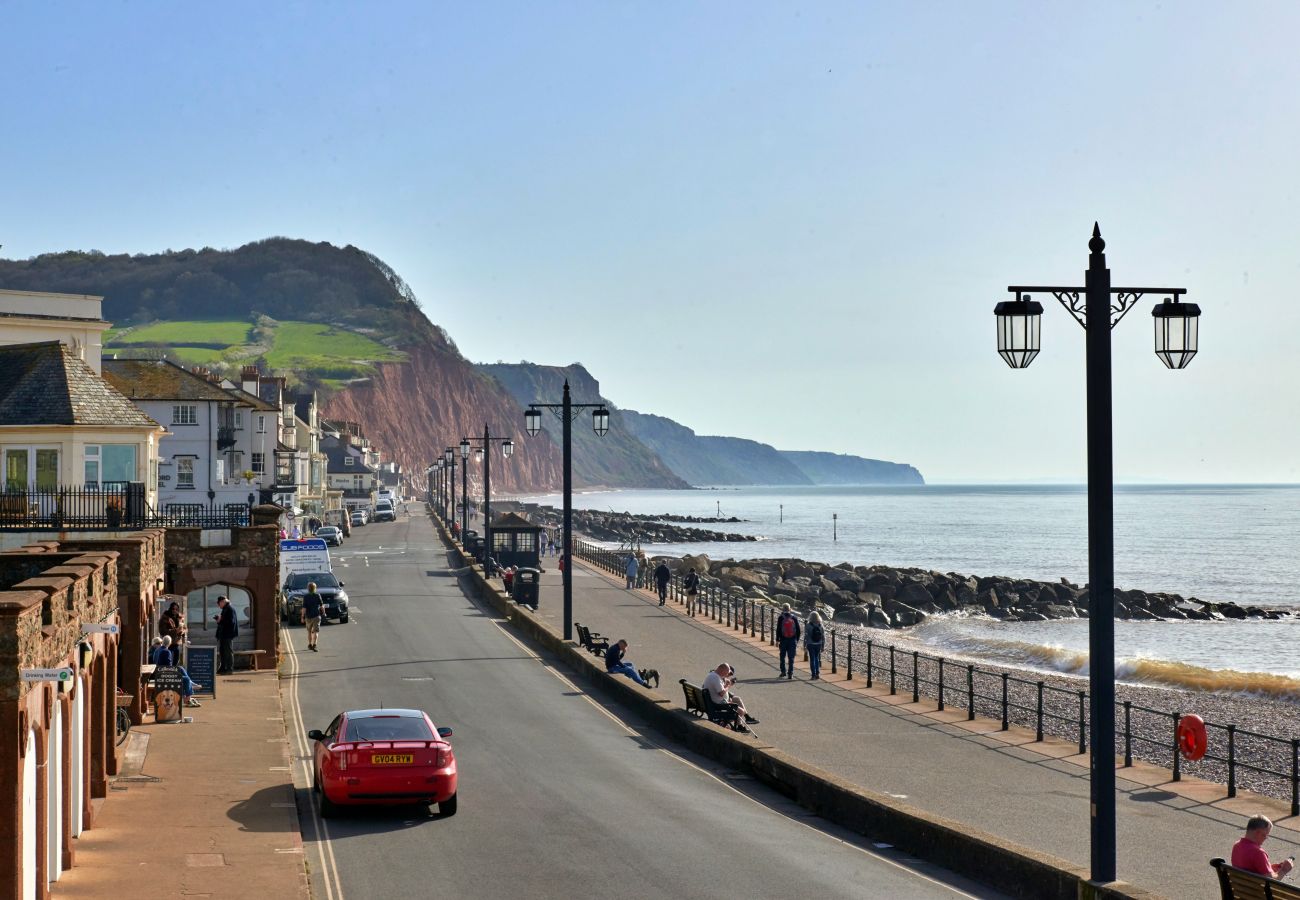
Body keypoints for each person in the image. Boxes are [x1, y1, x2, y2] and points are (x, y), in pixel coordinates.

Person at [703, 663, 759, 730]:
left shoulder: (714, 675)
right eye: (727, 673)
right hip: (718, 704)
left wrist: (727, 686)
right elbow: (721, 693)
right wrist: (728, 686)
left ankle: (746, 719)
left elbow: (719, 690)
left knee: (737, 699)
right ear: (723, 671)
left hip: (715, 701)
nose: (727, 675)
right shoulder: (716, 678)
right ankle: (729, 723)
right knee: (741, 711)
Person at [154, 636, 202, 707]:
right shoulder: (166, 651)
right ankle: (187, 698)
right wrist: (176, 672)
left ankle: (191, 685)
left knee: (180, 668)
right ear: (169, 643)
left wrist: (176, 669)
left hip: (160, 673)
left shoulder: (157, 650)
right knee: (186, 679)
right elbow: (168, 668)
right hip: (165, 676)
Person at [776, 603, 802, 679]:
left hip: (783, 640)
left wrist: (777, 640)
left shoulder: (781, 617)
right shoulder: (794, 618)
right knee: (791, 657)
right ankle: (790, 673)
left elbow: (778, 629)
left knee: (782, 656)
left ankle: (783, 671)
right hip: (792, 640)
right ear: (790, 609)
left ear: (782, 609)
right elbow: (798, 630)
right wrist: (796, 639)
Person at [214, 595, 238, 674]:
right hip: (223, 634)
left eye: (219, 603)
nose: (218, 605)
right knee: (223, 652)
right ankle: (223, 668)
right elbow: (226, 620)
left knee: (228, 651)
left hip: (227, 634)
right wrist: (219, 619)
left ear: (223, 602)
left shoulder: (230, 609)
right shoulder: (225, 609)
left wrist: (220, 620)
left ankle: (229, 669)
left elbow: (231, 622)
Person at [301, 581, 323, 652]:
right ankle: (315, 645)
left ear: (308, 588)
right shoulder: (318, 595)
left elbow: (304, 608)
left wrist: (302, 616)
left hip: (308, 617)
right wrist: (324, 613)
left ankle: (310, 644)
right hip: (316, 616)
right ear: (315, 588)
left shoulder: (306, 597)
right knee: (316, 631)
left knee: (309, 631)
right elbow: (322, 606)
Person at [805, 611, 826, 680]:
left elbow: (806, 636)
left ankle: (813, 674)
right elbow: (823, 636)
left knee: (812, 659)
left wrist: (804, 645)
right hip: (818, 644)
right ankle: (817, 673)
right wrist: (823, 646)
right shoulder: (820, 625)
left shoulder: (808, 625)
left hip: (810, 644)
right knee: (817, 658)